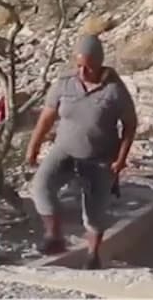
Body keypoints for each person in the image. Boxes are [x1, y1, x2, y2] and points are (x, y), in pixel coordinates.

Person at [26, 34, 138, 269]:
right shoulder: (64, 84)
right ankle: (54, 236)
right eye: (78, 65)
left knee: (94, 213)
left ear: (99, 63)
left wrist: (121, 159)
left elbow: (130, 125)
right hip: (64, 150)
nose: (83, 71)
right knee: (41, 187)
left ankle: (92, 254)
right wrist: (33, 147)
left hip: (100, 157)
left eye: (88, 66)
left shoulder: (115, 91)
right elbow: (46, 118)